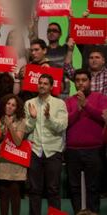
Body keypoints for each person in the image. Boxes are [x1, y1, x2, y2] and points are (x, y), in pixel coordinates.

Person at [24, 74, 68, 215]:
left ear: (51, 86)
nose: (42, 85)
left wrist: (49, 117)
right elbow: (26, 128)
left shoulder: (59, 103)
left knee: (53, 189)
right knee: (34, 189)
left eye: (45, 83)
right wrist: (33, 118)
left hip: (53, 151)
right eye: (40, 83)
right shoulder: (29, 103)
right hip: (35, 151)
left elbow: (62, 126)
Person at [65, 69, 107, 214]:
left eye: (84, 80)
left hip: (94, 149)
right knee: (74, 187)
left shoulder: (100, 98)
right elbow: (65, 123)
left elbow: (103, 117)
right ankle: (78, 212)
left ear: (90, 81)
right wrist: (78, 109)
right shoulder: (69, 101)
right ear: (74, 83)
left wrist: (86, 105)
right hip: (72, 150)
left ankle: (93, 212)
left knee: (93, 186)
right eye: (78, 80)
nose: (81, 83)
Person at [0, 94, 26, 215]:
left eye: (13, 105)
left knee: (15, 192)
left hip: (15, 160)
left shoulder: (21, 120)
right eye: (8, 104)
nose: (10, 107)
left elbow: (18, 141)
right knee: (3, 192)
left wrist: (10, 126)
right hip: (2, 160)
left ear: (17, 108)